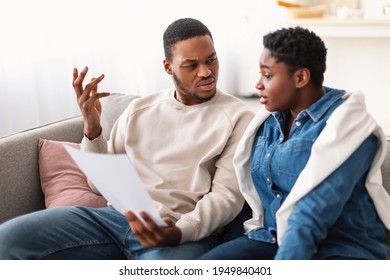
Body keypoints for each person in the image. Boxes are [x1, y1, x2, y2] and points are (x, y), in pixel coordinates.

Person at [0, 18, 254, 260]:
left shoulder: (238, 116)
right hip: (113, 219)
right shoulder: (139, 110)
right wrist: (92, 128)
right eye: (192, 65)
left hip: (176, 230)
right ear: (168, 67)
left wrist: (178, 232)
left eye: (212, 60)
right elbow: (99, 185)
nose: (206, 72)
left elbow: (227, 196)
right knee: (8, 240)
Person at [199, 26, 390, 260]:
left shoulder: (349, 128)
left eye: (267, 75)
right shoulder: (268, 123)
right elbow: (255, 199)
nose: (258, 84)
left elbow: (312, 213)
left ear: (300, 77)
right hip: (272, 238)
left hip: (340, 249)